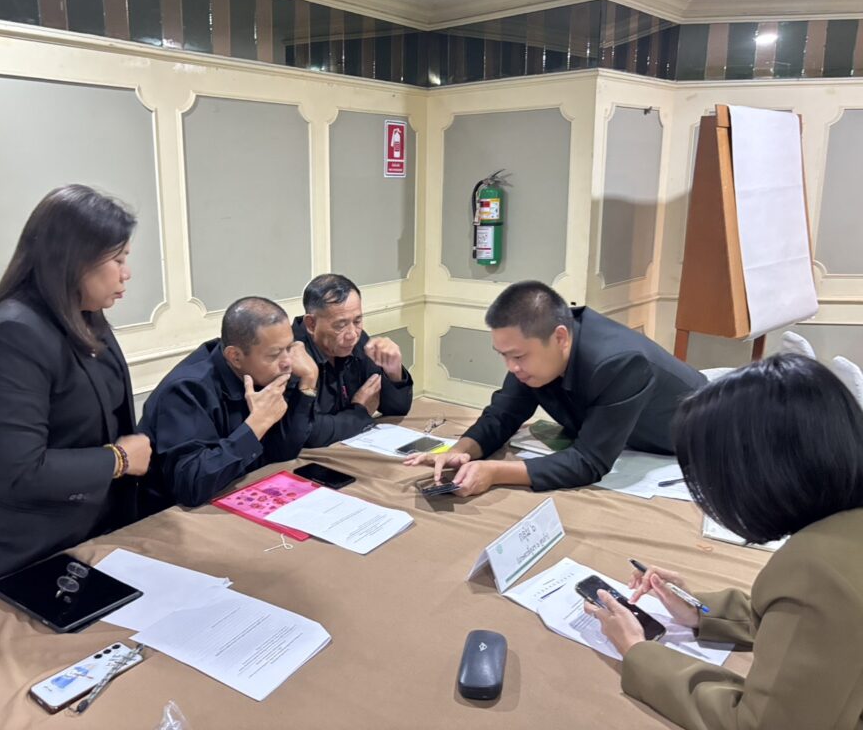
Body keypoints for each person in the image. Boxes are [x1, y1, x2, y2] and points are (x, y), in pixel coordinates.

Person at [585, 353, 863, 730]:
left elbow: (761, 725)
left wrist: (638, 652)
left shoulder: (818, 570)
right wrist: (701, 611)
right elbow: (818, 626)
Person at [0, 185, 155, 594]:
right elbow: (18, 472)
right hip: (21, 549)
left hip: (92, 529)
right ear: (74, 260)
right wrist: (119, 459)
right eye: (118, 259)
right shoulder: (9, 334)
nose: (126, 273)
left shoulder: (86, 315)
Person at [404, 280, 705, 495]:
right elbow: (503, 415)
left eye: (518, 356)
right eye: (503, 355)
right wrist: (460, 451)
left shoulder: (619, 363)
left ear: (560, 337)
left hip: (697, 436)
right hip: (629, 436)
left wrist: (495, 472)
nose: (511, 367)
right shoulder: (535, 356)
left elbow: (589, 461)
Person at [139, 297, 318, 506]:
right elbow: (191, 484)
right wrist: (256, 426)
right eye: (275, 354)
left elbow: (283, 453)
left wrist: (308, 383)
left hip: (242, 492)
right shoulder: (187, 390)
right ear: (235, 356)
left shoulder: (269, 373)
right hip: (171, 512)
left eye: (289, 348)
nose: (288, 362)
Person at [292, 274, 413, 447]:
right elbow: (308, 433)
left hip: (350, 441)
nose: (352, 335)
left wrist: (393, 373)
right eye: (340, 325)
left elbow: (396, 410)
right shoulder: (291, 354)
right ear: (311, 324)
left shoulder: (357, 340)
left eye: (358, 321)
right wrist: (360, 412)